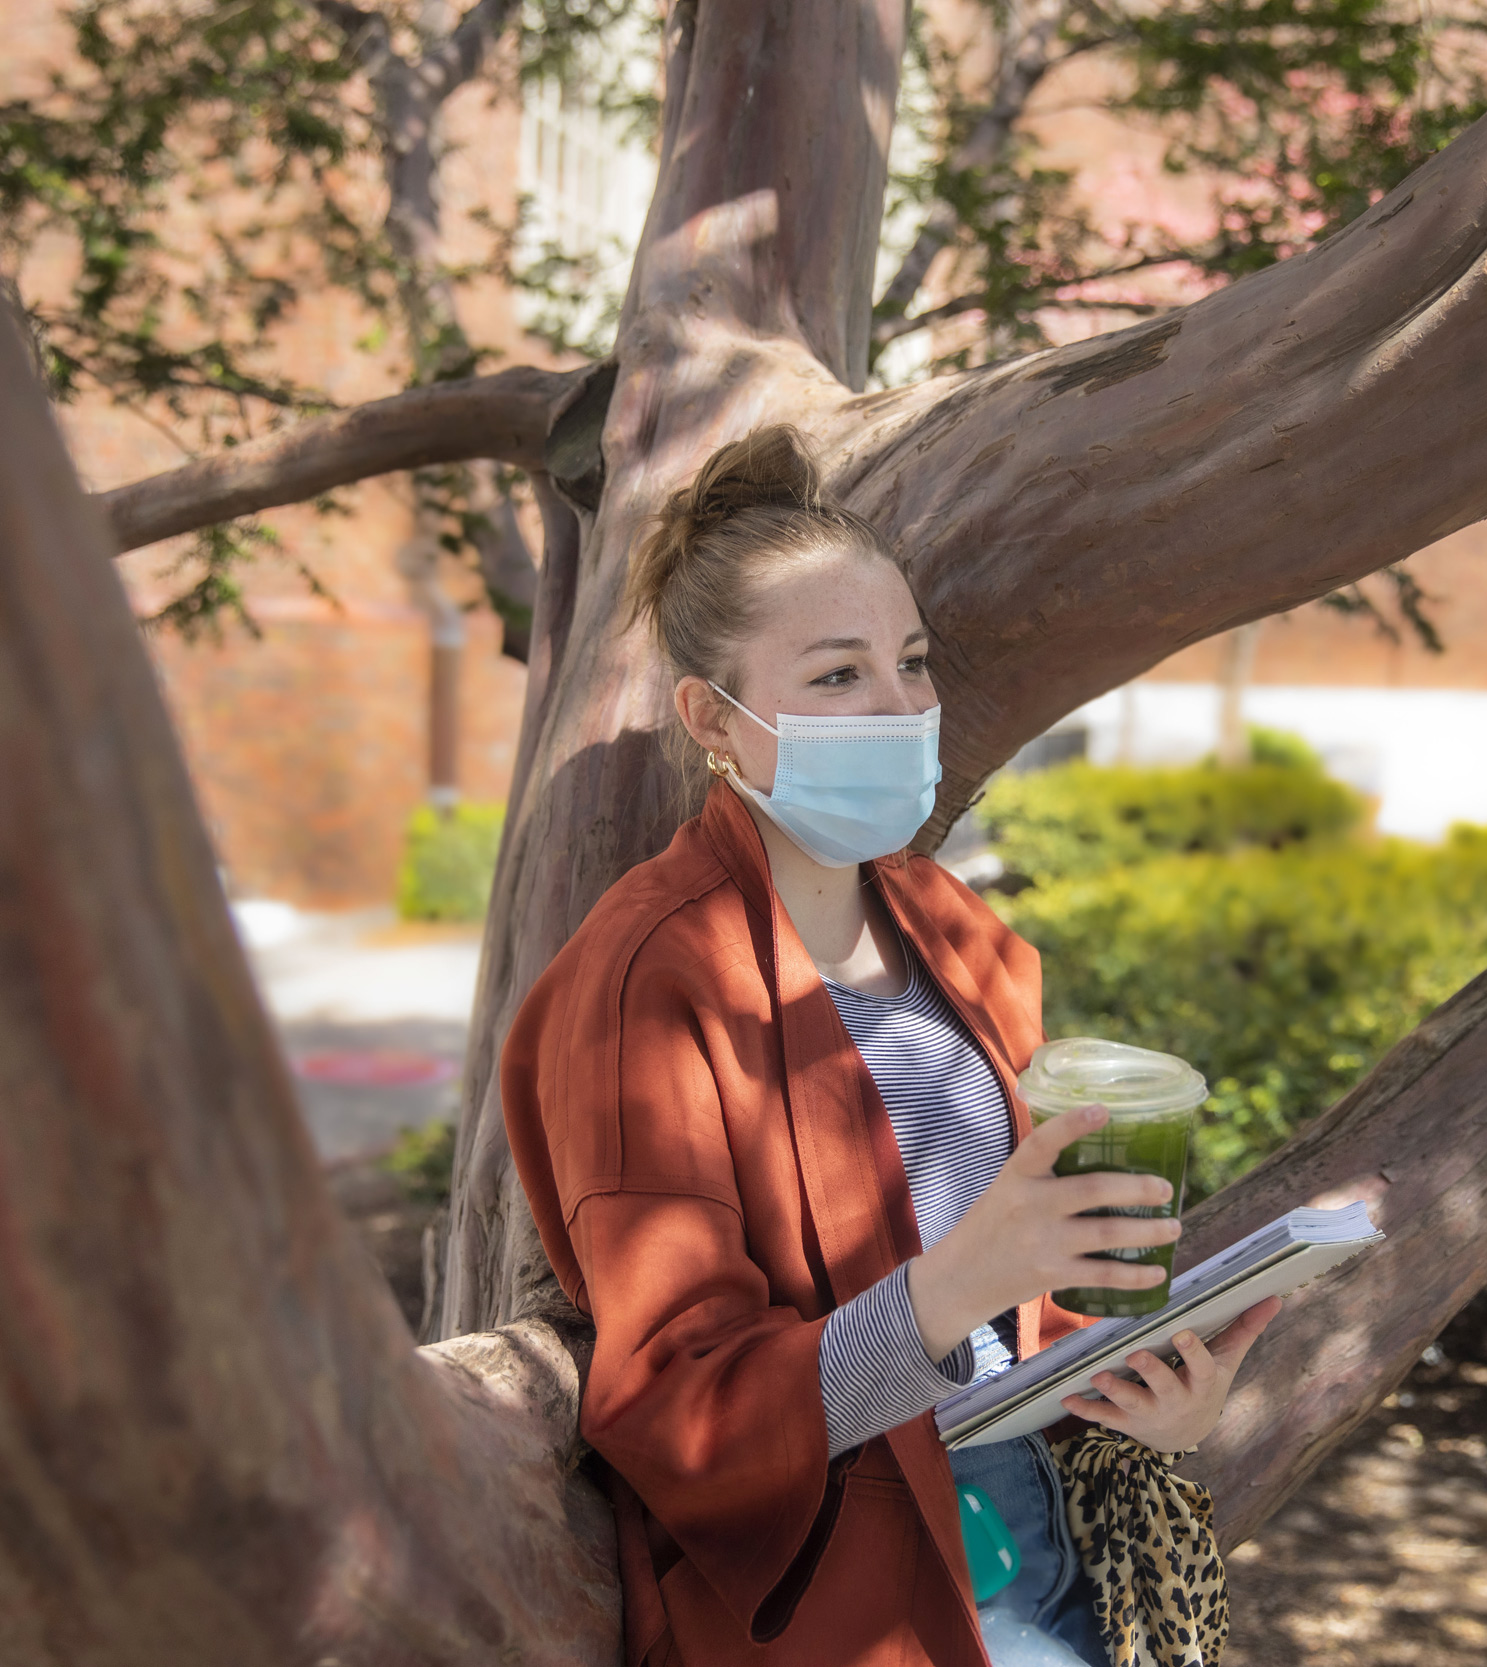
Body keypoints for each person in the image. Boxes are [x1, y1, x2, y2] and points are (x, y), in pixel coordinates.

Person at [500, 425, 1280, 1667]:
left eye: (911, 663)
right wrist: (956, 1283)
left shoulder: (951, 927)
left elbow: (1006, 1318)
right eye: (837, 675)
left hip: (1045, 1547)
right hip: (854, 1599)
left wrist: (1140, 1389)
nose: (902, 706)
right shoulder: (649, 980)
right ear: (714, 715)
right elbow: (676, 1404)